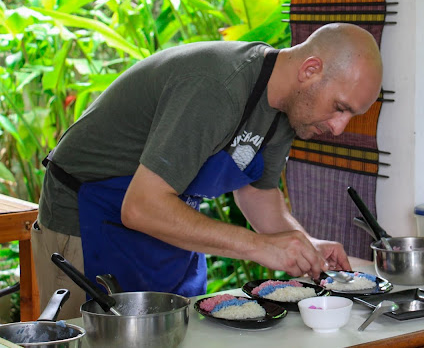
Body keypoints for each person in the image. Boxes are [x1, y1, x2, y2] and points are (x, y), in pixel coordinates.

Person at [31, 22, 384, 319]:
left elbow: (258, 194)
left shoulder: (288, 109)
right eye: (340, 108)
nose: (339, 128)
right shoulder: (217, 87)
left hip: (163, 223)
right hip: (86, 220)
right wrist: (258, 247)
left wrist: (305, 247)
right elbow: (140, 207)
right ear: (310, 70)